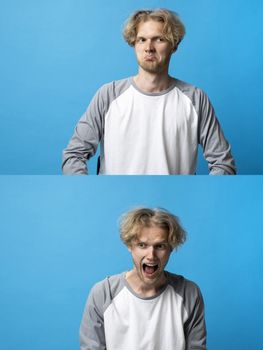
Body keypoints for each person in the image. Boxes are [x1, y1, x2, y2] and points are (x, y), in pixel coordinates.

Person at [63, 9, 236, 175]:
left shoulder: (195, 99)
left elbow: (223, 163)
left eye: (159, 39)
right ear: (134, 44)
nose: (149, 47)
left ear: (174, 45)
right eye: (142, 40)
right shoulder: (108, 95)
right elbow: (74, 155)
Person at [80, 208, 206, 350]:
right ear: (130, 246)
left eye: (160, 246)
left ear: (171, 248)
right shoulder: (103, 293)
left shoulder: (188, 293)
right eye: (142, 245)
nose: (151, 255)